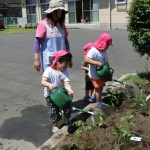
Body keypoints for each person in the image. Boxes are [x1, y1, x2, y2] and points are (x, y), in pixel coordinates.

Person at [41, 50, 73, 134]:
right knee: (53, 111)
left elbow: (67, 83)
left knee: (67, 108)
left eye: (68, 64)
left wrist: (69, 89)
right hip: (51, 95)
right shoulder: (49, 70)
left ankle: (67, 120)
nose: (66, 66)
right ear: (58, 62)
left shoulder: (64, 71)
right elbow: (43, 81)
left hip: (61, 95)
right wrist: (49, 85)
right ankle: (55, 125)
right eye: (65, 64)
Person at [34, 0, 71, 72]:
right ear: (51, 12)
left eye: (61, 12)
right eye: (57, 12)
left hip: (62, 61)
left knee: (63, 81)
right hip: (50, 61)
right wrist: (36, 59)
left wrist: (69, 58)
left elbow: (66, 42)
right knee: (49, 82)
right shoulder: (43, 24)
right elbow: (37, 43)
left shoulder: (62, 25)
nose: (59, 15)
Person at [84, 33, 113, 105]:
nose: (108, 47)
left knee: (99, 86)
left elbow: (106, 62)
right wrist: (96, 63)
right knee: (99, 89)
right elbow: (86, 60)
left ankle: (92, 98)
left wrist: (108, 70)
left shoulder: (104, 52)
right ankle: (99, 102)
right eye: (108, 45)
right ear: (103, 44)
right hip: (94, 75)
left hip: (100, 75)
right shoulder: (93, 50)